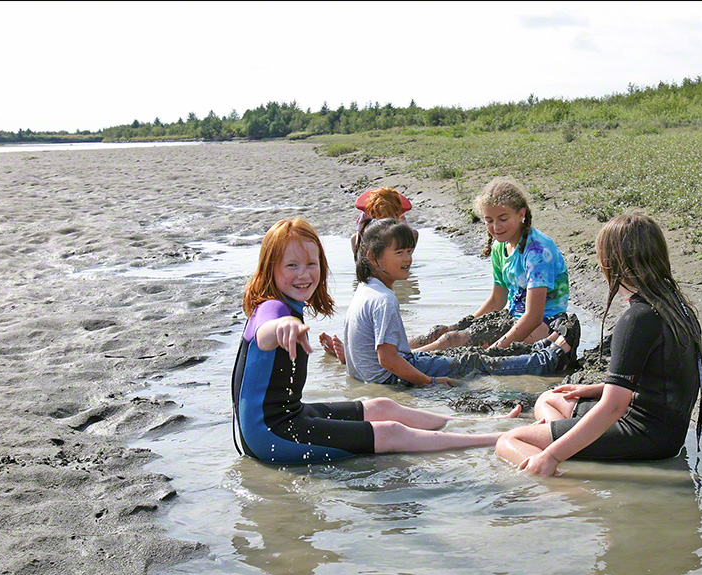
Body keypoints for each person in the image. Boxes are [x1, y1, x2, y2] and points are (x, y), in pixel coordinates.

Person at [231, 217, 521, 465]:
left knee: (383, 407)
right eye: (291, 265)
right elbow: (265, 331)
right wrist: (282, 326)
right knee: (390, 431)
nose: (304, 273)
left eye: (311, 263)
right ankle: (498, 438)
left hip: (287, 417)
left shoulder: (285, 305)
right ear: (270, 268)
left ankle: (481, 424)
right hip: (271, 437)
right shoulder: (274, 310)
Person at [495, 212, 702, 476]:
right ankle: (572, 445)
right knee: (552, 397)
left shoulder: (637, 318)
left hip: (642, 435)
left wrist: (551, 455)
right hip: (668, 432)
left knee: (510, 441)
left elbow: (614, 407)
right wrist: (596, 388)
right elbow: (664, 378)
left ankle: (569, 488)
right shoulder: (678, 307)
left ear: (613, 263)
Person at [339, 218, 581, 387]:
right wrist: (430, 382)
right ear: (371, 256)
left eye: (410, 252)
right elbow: (388, 360)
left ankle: (539, 353)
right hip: (393, 379)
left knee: (459, 353)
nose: (408, 259)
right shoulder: (384, 300)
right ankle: (547, 360)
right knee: (475, 362)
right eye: (399, 253)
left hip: (373, 379)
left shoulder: (364, 290)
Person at [412, 178, 573, 352]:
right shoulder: (499, 247)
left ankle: (406, 362)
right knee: (441, 333)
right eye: (489, 221)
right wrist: (465, 324)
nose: (496, 227)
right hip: (514, 319)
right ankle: (392, 356)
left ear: (521, 214)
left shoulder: (537, 251)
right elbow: (497, 300)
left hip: (545, 325)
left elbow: (534, 317)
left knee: (451, 341)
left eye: (503, 219)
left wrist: (496, 349)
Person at [349, 187, 413, 259]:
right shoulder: (366, 215)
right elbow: (359, 235)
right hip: (372, 239)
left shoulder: (399, 215)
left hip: (393, 238)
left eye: (390, 214)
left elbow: (406, 234)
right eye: (379, 214)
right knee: (353, 238)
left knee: (414, 233)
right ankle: (360, 261)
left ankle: (403, 258)